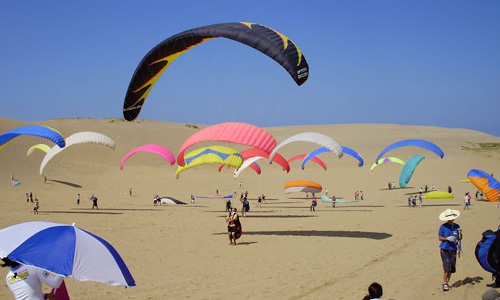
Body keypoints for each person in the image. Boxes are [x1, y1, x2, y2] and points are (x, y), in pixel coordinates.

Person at [438, 208, 462, 292]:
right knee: (446, 267)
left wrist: (459, 235)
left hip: (453, 249)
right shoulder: (443, 226)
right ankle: (444, 283)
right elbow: (440, 238)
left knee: (451, 267)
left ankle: (447, 282)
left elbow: (459, 238)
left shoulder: (456, 226)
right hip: (445, 248)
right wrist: (447, 238)